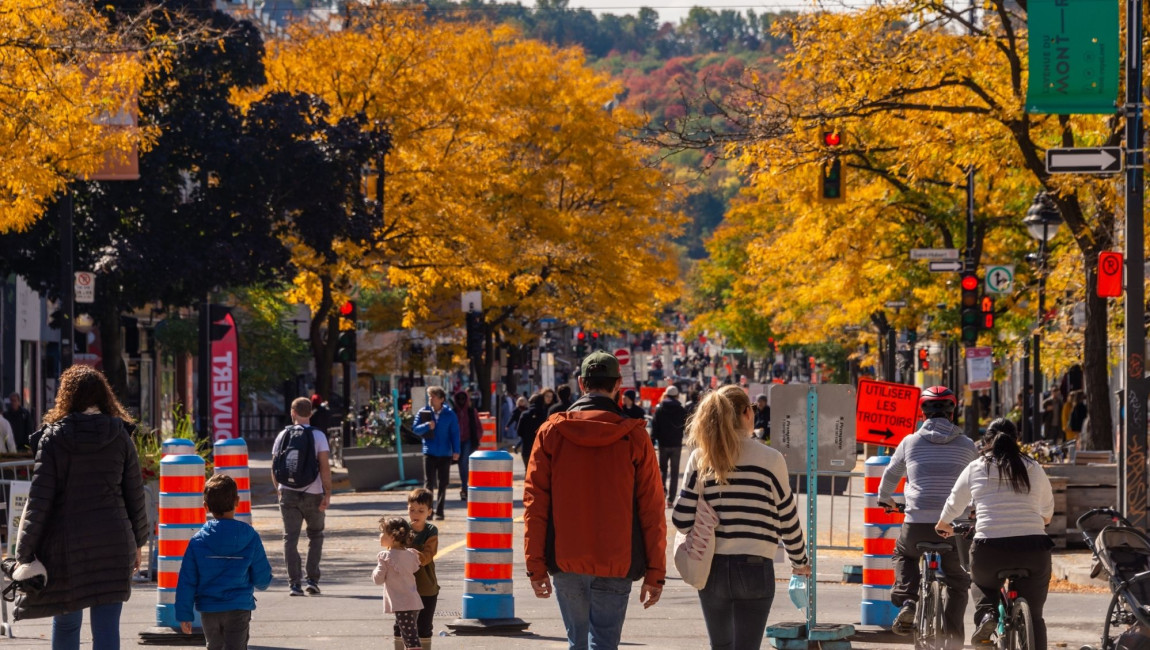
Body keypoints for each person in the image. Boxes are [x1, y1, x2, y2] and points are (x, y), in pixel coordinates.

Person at [523, 351, 666, 650]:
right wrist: (655, 572)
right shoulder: (635, 438)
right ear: (618, 385)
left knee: (577, 643)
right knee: (604, 643)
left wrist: (535, 565)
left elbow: (535, 504)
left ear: (580, 383)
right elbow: (652, 508)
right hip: (617, 557)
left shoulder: (551, 433)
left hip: (566, 557)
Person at [12, 365, 149, 648]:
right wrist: (138, 543)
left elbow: (39, 501)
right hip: (114, 543)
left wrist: (24, 553)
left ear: (66, 396)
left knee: (65, 623)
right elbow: (135, 495)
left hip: (65, 547)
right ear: (103, 396)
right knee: (107, 627)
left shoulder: (53, 439)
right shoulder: (120, 436)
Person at [672, 385, 810, 649]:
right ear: (747, 412)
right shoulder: (771, 459)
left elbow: (681, 519)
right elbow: (787, 517)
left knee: (720, 645)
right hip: (756, 566)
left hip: (711, 566)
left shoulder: (702, 458)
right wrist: (799, 561)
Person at [937, 418, 1054, 648]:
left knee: (981, 584)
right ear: (1017, 439)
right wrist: (1039, 521)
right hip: (1034, 550)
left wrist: (942, 524)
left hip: (989, 550)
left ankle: (987, 616)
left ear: (987, 441)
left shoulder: (976, 467)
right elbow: (1047, 511)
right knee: (1036, 615)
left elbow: (954, 503)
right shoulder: (1033, 466)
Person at [878, 385, 977, 645]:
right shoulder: (967, 445)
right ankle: (954, 639)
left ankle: (908, 600)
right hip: (954, 526)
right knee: (957, 582)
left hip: (917, 523)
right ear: (952, 413)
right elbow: (978, 480)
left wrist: (885, 499)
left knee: (904, 553)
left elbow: (890, 475)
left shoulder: (909, 442)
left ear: (922, 414)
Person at [176, 474, 272, 649]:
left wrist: (184, 614)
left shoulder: (197, 541)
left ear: (206, 507)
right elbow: (262, 577)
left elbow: (187, 581)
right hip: (239, 607)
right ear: (237, 501)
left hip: (209, 608)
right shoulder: (249, 536)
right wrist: (264, 582)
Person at [271, 397, 333, 597]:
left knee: (290, 538)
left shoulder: (283, 435)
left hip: (287, 492)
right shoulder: (318, 436)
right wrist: (327, 492)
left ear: (293, 413)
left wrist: (279, 489)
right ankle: (312, 580)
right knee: (315, 534)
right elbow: (324, 466)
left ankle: (294, 584)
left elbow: (274, 466)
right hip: (313, 492)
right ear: (311, 413)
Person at [395, 489, 439, 649]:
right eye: (412, 509)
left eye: (421, 511)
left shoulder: (431, 531)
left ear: (429, 512)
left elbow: (428, 554)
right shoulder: (401, 530)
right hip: (403, 587)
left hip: (425, 586)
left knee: (424, 627)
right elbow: (391, 551)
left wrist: (409, 556)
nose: (416, 514)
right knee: (400, 626)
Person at [373, 517, 424, 650]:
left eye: (383, 533)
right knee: (409, 636)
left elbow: (378, 579)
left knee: (411, 639)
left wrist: (376, 569)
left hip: (402, 604)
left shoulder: (385, 556)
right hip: (413, 602)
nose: (380, 536)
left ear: (393, 537)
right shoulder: (411, 554)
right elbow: (414, 568)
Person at [413, 387, 459, 520]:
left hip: (445, 453)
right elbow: (415, 429)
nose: (430, 399)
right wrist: (427, 425)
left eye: (433, 397)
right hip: (429, 452)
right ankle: (428, 511)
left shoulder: (450, 414)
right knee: (428, 483)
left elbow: (454, 433)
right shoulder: (424, 412)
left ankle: (440, 510)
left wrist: (456, 451)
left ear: (441, 399)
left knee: (443, 483)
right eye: (429, 397)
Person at [650, 385, 687, 507]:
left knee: (663, 470)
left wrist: (652, 440)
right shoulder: (681, 410)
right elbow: (686, 427)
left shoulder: (660, 409)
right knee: (675, 473)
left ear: (666, 395)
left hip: (663, 444)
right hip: (676, 444)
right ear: (677, 396)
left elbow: (654, 427)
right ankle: (671, 499)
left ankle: (663, 492)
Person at [453, 391, 481, 502]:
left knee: (464, 462)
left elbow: (479, 427)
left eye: (463, 399)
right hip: (456, 441)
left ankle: (465, 487)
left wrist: (476, 438)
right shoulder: (453, 412)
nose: (461, 401)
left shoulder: (471, 411)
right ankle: (464, 486)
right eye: (459, 399)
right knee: (461, 464)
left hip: (468, 440)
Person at [516, 393, 549, 468]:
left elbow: (519, 432)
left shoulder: (524, 414)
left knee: (527, 472)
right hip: (540, 449)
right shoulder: (545, 416)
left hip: (527, 448)